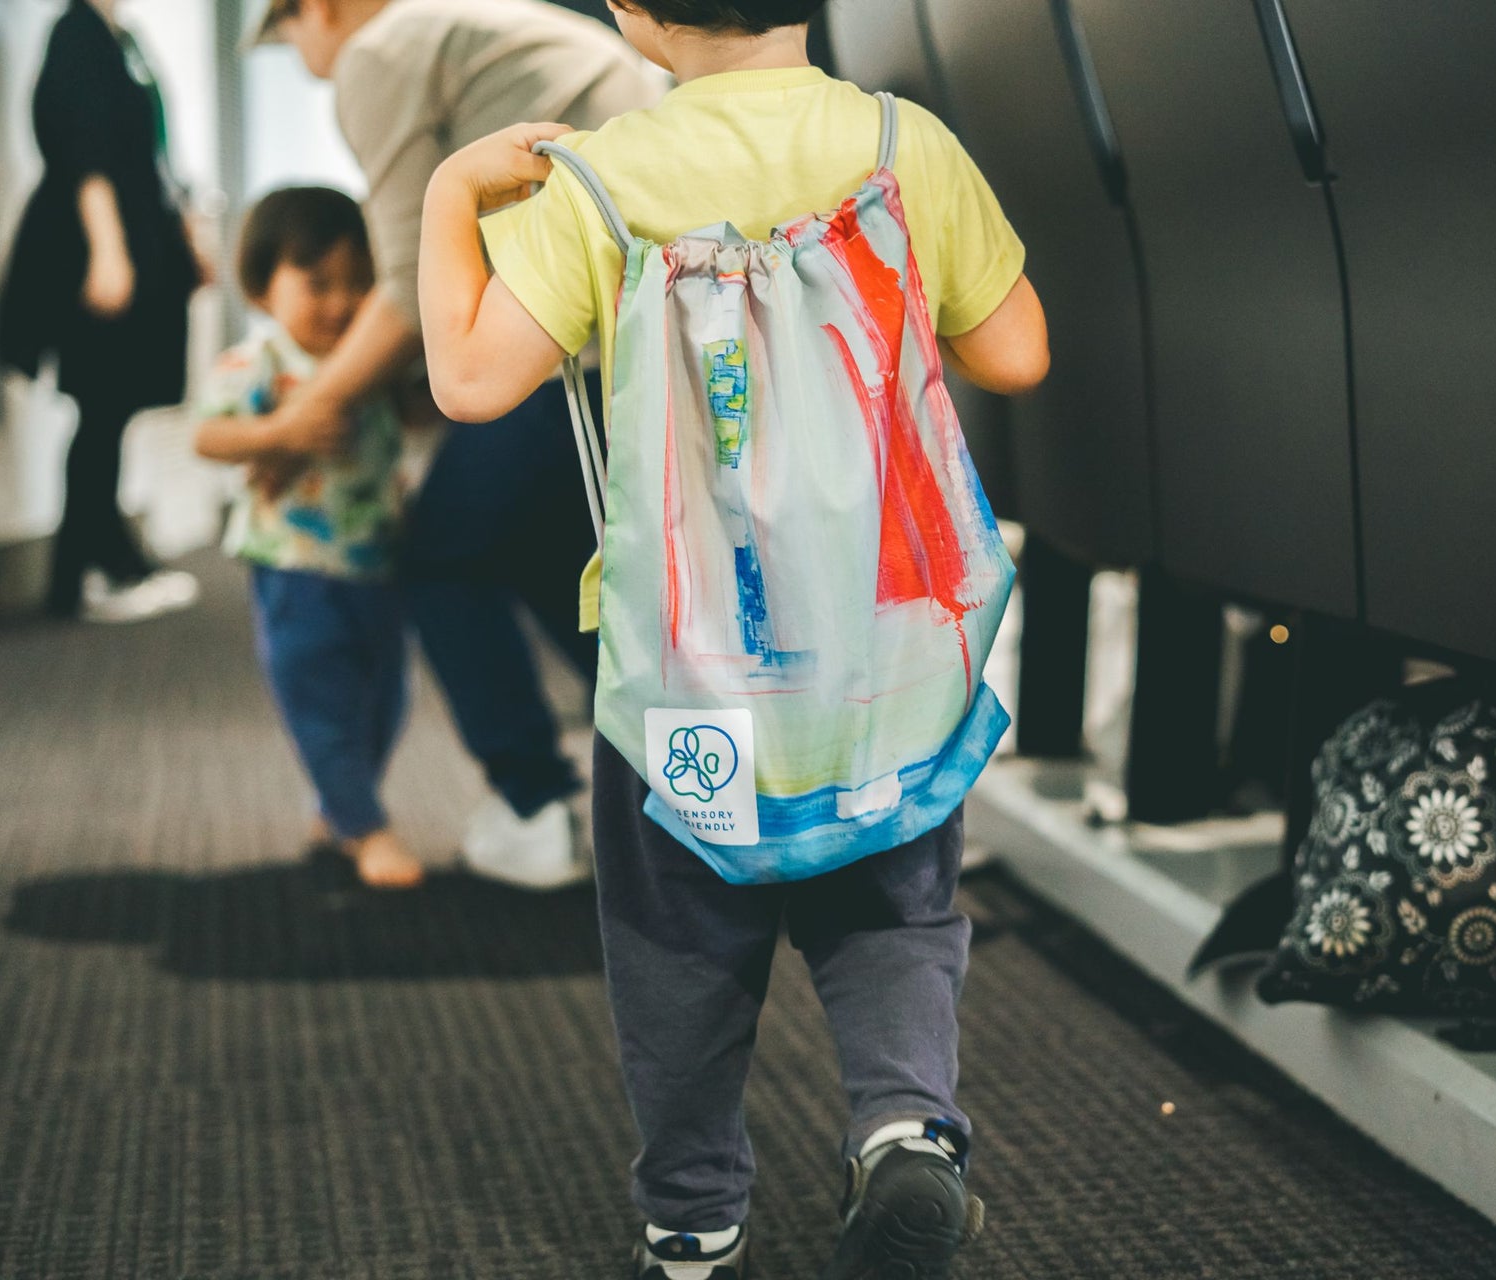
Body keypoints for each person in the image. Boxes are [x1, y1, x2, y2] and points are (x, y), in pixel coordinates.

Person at [416, 1, 1050, 1275]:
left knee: (677, 943)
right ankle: (904, 1123)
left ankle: (694, 1217)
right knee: (896, 910)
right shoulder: (904, 144)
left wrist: (449, 195)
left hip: (687, 670)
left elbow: (470, 382)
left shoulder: (601, 180)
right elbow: (1016, 351)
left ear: (630, 10)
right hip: (884, 660)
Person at [250, 0, 667, 890]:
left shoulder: (378, 52)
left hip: (576, 352)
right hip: (647, 332)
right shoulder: (469, 24)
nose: (304, 60)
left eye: (288, 39)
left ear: (316, 9)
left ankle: (536, 805)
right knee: (545, 555)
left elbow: (408, 286)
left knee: (443, 554)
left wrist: (297, 420)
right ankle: (678, 777)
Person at [194, 187, 424, 891]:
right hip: (293, 566)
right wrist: (277, 432)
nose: (342, 303)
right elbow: (209, 436)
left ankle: (340, 805)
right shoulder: (261, 360)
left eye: (360, 283)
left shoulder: (373, 355)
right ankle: (365, 827)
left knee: (386, 700)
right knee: (317, 695)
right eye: (318, 283)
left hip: (377, 562)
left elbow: (419, 410)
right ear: (262, 286)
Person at [0, 0, 204, 624]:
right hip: (94, 247)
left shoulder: (122, 40)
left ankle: (103, 564)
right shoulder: (78, 35)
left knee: (109, 413)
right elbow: (84, 151)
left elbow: (154, 155)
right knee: (101, 409)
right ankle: (88, 573)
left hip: (135, 238)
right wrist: (108, 250)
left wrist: (185, 236)